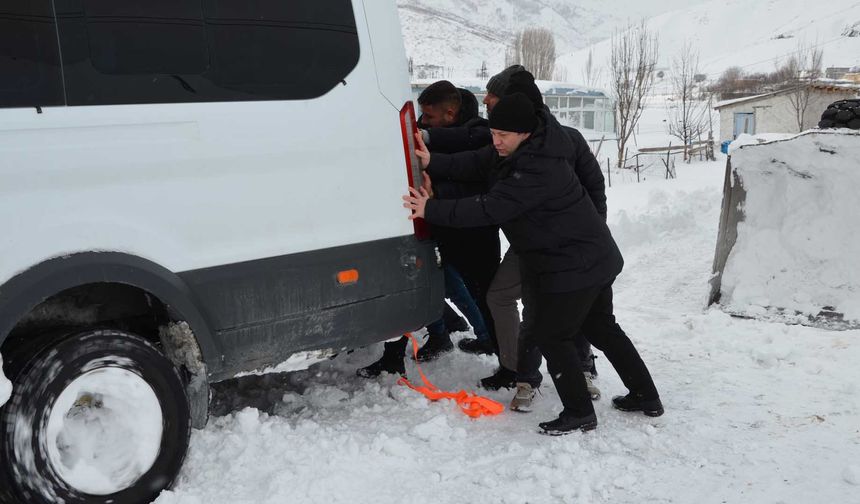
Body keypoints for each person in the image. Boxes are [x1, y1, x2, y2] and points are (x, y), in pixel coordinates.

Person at [404, 92, 664, 435]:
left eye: (502, 136)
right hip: (589, 256)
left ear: (525, 133)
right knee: (601, 327)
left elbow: (489, 207)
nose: (494, 142)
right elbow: (476, 161)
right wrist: (431, 161)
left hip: (576, 263)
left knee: (552, 335)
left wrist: (430, 209)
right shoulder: (521, 148)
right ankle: (646, 395)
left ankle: (579, 412)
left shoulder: (538, 167)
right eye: (493, 134)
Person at [446, 68, 605, 410]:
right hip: (529, 244)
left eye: (493, 97)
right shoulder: (505, 143)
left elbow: (594, 192)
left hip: (568, 247)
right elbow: (474, 161)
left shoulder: (564, 141)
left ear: (519, 109)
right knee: (525, 305)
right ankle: (521, 373)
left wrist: (583, 243)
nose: (486, 101)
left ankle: (578, 369)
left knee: (560, 310)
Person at [357, 81, 498, 377]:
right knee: (425, 285)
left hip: (472, 234)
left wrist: (436, 189)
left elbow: (472, 176)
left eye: (430, 118)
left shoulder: (479, 133)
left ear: (450, 112)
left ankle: (503, 352)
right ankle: (405, 351)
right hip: (435, 226)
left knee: (482, 295)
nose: (423, 123)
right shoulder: (432, 127)